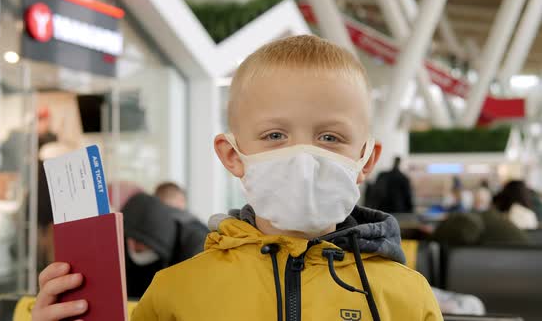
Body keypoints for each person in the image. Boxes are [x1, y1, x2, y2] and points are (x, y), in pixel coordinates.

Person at [32, 35, 442, 321]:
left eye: (330, 137)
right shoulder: (176, 292)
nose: (301, 156)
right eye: (275, 135)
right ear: (233, 155)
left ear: (366, 159)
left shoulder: (406, 296)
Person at [121, 192, 208, 298]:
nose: (133, 247)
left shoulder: (196, 248)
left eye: (140, 244)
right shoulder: (125, 235)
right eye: (130, 239)